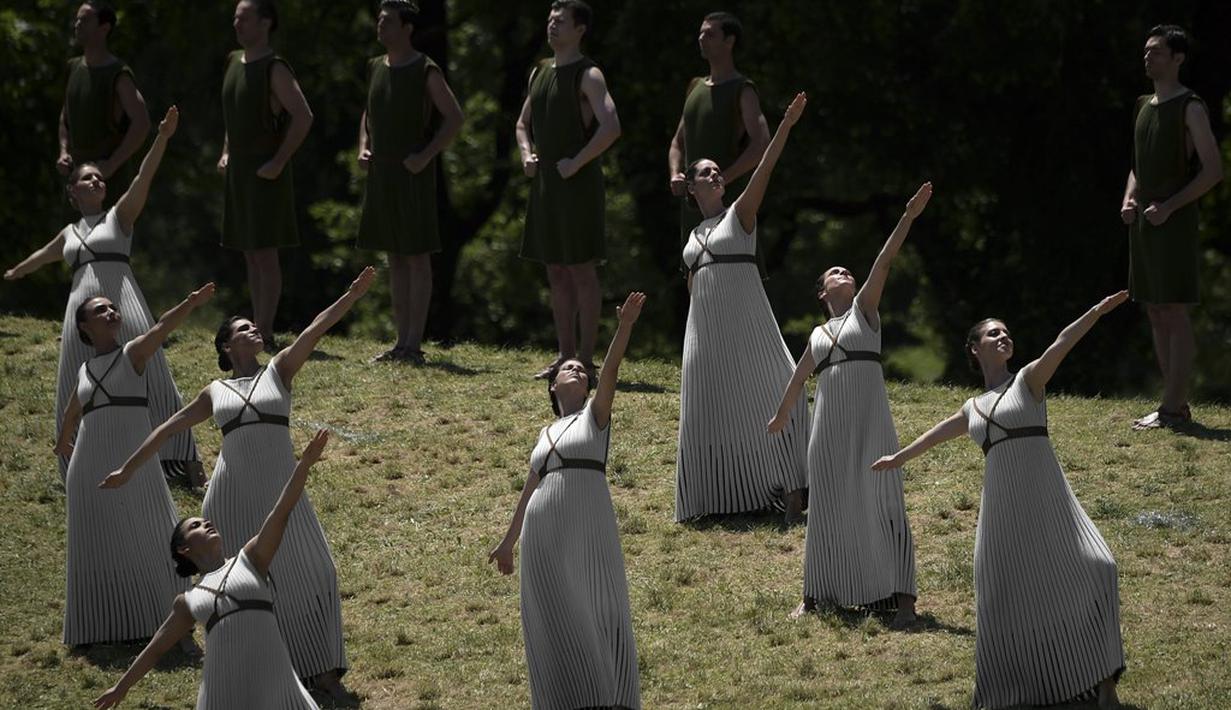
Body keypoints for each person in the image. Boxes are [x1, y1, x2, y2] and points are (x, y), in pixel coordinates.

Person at [104, 267, 376, 700]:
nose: (255, 330)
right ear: (228, 346)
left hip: (283, 488)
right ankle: (259, 672)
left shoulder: (279, 370)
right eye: (245, 327)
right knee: (238, 589)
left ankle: (322, 672)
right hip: (230, 497)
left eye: (255, 326)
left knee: (317, 572)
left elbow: (316, 329)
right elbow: (168, 428)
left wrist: (352, 294)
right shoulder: (215, 391)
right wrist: (129, 469)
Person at [872, 292, 1130, 709]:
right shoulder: (972, 407)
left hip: (1048, 498)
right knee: (1004, 594)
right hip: (1003, 511)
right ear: (975, 349)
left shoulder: (1028, 381)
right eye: (994, 334)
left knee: (1100, 566)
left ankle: (1104, 685)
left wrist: (1097, 312)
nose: (1003, 337)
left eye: (1007, 333)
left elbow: (1060, 344)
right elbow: (935, 434)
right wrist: (899, 458)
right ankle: (1019, 687)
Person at [6, 107, 201, 484]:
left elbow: (144, 177)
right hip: (79, 314)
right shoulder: (69, 233)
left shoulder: (119, 217)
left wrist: (162, 137)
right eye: (87, 178)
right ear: (72, 191)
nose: (96, 181)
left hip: (124, 302)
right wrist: (16, 271)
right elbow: (42, 256)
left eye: (99, 177)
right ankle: (75, 465)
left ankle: (182, 464)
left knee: (154, 377)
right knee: (75, 382)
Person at [769, 182, 932, 625]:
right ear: (822, 293)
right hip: (829, 426)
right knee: (827, 503)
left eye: (846, 270)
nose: (843, 271)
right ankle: (814, 594)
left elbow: (884, 261)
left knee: (883, 496)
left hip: (870, 420)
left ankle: (904, 601)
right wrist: (783, 413)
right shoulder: (819, 335)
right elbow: (800, 375)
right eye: (832, 272)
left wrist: (908, 217)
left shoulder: (865, 312)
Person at [93, 430, 331, 710]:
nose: (205, 524)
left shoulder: (251, 559)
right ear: (184, 549)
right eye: (195, 526)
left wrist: (304, 464)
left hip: (275, 681)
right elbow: (156, 648)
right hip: (225, 690)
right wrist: (121, 688)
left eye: (205, 521)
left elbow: (281, 510)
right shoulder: (188, 601)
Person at [489, 292, 646, 710]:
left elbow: (610, 370)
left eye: (581, 369)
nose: (577, 371)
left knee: (596, 599)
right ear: (553, 384)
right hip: (543, 534)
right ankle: (567, 697)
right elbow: (528, 491)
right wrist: (508, 542)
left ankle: (609, 695)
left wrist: (625, 326)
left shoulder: (595, 418)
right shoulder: (544, 433)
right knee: (553, 611)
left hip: (587, 520)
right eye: (567, 368)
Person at [675, 92, 809, 523]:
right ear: (691, 186)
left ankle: (792, 485)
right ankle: (719, 499)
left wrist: (784, 126)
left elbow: (765, 170)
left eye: (718, 172)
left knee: (779, 388)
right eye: (706, 173)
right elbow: (695, 290)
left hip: (749, 324)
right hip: (707, 334)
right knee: (711, 406)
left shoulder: (739, 217)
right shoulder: (692, 240)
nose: (715, 176)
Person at [55, 283, 213, 648]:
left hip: (134, 461)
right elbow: (72, 409)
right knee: (96, 542)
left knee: (156, 532)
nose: (111, 312)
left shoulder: (132, 354)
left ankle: (177, 626)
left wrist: (190, 301)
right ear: (84, 328)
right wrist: (63, 440)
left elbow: (162, 329)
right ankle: (99, 629)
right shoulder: (83, 370)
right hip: (88, 467)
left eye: (113, 307)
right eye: (101, 310)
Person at [1120, 24, 1223, 429]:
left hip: (1174, 221)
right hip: (1145, 220)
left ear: (1178, 58)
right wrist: (1129, 197)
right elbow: (1137, 163)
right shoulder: (1144, 103)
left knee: (1174, 310)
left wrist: (1170, 207)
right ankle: (1172, 403)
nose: (1149, 57)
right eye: (1146, 51)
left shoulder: (1190, 107)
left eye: (1158, 52)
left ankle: (1173, 407)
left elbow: (1213, 171)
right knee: (1155, 310)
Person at [517, 0, 621, 380]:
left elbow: (611, 127)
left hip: (577, 185)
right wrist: (527, 155)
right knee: (555, 269)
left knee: (581, 269)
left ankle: (586, 360)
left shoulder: (589, 74)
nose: (551, 26)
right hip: (547, 184)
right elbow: (521, 124)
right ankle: (564, 355)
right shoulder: (539, 72)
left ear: (580, 29)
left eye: (560, 21)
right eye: (549, 19)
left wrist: (575, 163)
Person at [357, 0, 464, 364]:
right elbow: (368, 114)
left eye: (387, 22)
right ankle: (399, 342)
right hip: (382, 173)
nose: (379, 27)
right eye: (379, 21)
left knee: (416, 257)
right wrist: (364, 147)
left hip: (413, 172)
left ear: (407, 28)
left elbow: (453, 117)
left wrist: (427, 154)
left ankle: (414, 344)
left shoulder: (424, 69)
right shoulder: (375, 66)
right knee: (394, 256)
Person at [219, 0, 314, 348]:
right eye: (235, 18)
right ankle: (258, 325)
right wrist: (226, 152)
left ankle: (266, 329)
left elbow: (303, 116)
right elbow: (233, 116)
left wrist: (278, 161)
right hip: (240, 170)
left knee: (265, 252)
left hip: (265, 169)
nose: (237, 24)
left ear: (266, 23)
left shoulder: (274, 68)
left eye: (244, 18)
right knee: (249, 250)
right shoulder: (232, 61)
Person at [667, 12, 769, 251]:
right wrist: (675, 174)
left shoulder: (742, 89)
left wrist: (723, 179)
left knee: (731, 272)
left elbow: (761, 144)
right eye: (701, 33)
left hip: (728, 204)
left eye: (710, 34)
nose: (702, 38)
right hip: (694, 205)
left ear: (729, 41)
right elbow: (677, 143)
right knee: (695, 273)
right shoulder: (695, 87)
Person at [58, 0, 151, 205]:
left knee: (107, 235)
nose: (78, 24)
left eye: (85, 19)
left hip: (106, 184)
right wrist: (64, 152)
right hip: (77, 179)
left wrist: (111, 164)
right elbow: (66, 116)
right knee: (73, 235)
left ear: (104, 28)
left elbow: (142, 123)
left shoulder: (117, 74)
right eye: (77, 19)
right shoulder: (73, 68)